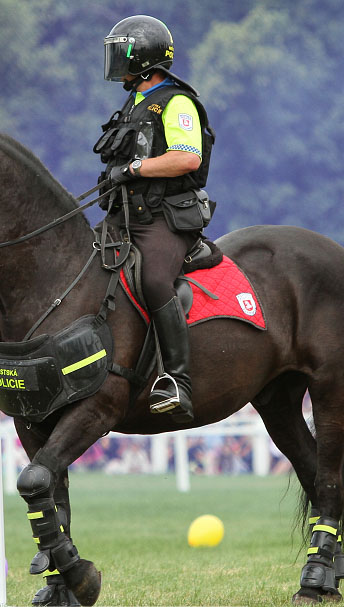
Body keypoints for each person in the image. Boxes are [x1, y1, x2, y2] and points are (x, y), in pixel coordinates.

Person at [96, 15, 214, 423]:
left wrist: (134, 170)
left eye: (120, 51)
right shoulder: (133, 104)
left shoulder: (177, 102)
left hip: (166, 221)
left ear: (143, 59)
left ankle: (177, 383)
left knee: (153, 279)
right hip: (127, 218)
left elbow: (187, 157)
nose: (114, 61)